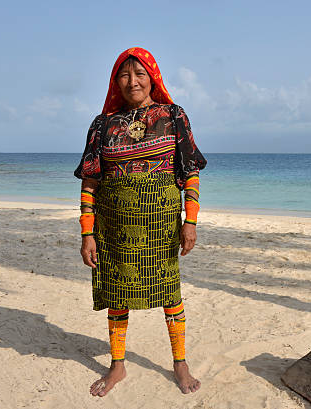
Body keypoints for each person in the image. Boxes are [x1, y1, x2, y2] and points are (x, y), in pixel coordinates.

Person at [74, 47, 206, 397]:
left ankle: (180, 363)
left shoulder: (173, 115)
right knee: (118, 293)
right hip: (113, 228)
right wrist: (87, 234)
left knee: (169, 292)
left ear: (153, 78)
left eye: (139, 74)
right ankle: (117, 365)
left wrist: (190, 222)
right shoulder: (102, 125)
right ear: (115, 81)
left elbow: (189, 172)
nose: (132, 81)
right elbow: (90, 182)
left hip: (162, 227)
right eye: (124, 74)